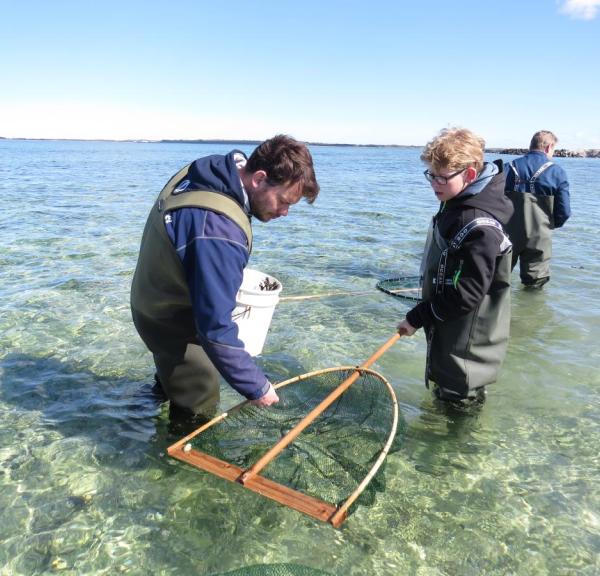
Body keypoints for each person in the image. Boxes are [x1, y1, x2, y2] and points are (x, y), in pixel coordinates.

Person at [130, 135, 319, 418]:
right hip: (167, 318)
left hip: (152, 295)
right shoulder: (219, 231)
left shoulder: (214, 171)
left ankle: (143, 406)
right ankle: (177, 456)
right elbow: (215, 329)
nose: (285, 212)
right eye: (282, 200)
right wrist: (257, 387)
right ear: (258, 178)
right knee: (200, 404)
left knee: (173, 375)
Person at [397, 128, 513, 404]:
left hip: (467, 350)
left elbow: (468, 293)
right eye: (431, 175)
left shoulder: (479, 226)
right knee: (445, 397)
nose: (434, 183)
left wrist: (417, 317)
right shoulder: (455, 203)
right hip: (449, 333)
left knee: (459, 405)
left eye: (442, 177)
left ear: (470, 175)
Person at [504, 130, 571, 288]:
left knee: (497, 279)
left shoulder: (507, 167)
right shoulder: (557, 172)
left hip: (506, 234)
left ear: (531, 145)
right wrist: (549, 225)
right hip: (539, 236)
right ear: (548, 147)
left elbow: (491, 199)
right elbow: (564, 212)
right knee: (535, 284)